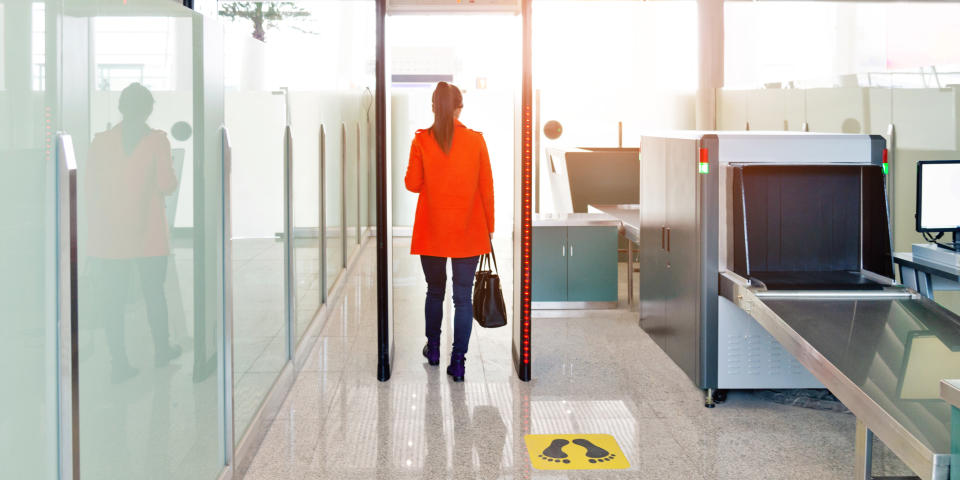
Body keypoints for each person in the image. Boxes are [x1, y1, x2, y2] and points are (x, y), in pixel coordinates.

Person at [86, 82, 182, 383]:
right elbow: (167, 185)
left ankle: (119, 362)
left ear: (121, 109)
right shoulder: (157, 141)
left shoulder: (100, 142)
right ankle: (162, 349)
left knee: (112, 298)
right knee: (154, 293)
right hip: (148, 232)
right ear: (149, 109)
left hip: (110, 234)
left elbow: (90, 187)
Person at [405, 82, 494, 382]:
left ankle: (433, 348)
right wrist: (489, 229)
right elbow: (486, 189)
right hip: (468, 231)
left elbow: (412, 184)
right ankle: (458, 362)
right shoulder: (475, 141)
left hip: (432, 230)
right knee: (463, 299)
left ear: (433, 107)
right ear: (459, 108)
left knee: (434, 291)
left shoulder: (422, 141)